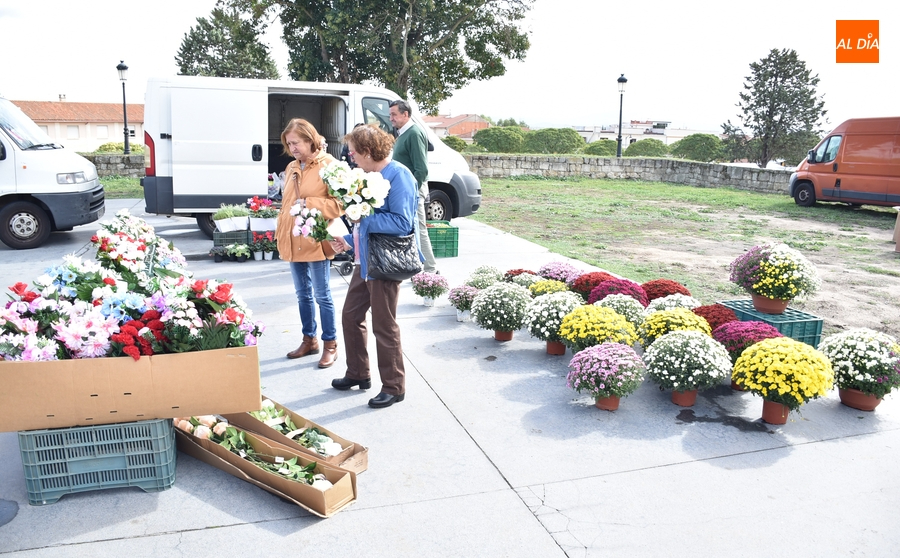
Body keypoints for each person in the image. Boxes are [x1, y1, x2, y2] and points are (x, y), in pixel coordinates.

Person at [329, 125, 422, 408]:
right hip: (366, 260)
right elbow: (367, 222)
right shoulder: (370, 175)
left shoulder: (399, 176)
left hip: (385, 264)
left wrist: (363, 217)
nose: (351, 157)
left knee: (384, 325)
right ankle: (358, 373)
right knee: (350, 316)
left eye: (354, 153)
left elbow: (402, 223)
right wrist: (348, 240)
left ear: (368, 152)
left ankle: (394, 387)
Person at [275, 118, 344, 368]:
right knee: (302, 295)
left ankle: (330, 344)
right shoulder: (291, 167)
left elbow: (340, 204)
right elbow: (286, 205)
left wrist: (310, 203)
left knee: (322, 296)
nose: (291, 148)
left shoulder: (330, 165)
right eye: (288, 144)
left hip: (315, 239)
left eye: (295, 143)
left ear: (310, 139)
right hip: (292, 238)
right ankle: (309, 340)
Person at [389, 99, 438, 274]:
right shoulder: (403, 133)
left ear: (405, 114)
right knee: (410, 229)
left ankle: (430, 271)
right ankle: (416, 267)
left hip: (412, 190)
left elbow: (421, 169)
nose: (391, 118)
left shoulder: (414, 133)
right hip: (405, 190)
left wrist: (411, 191)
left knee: (419, 228)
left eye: (394, 114)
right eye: (390, 114)